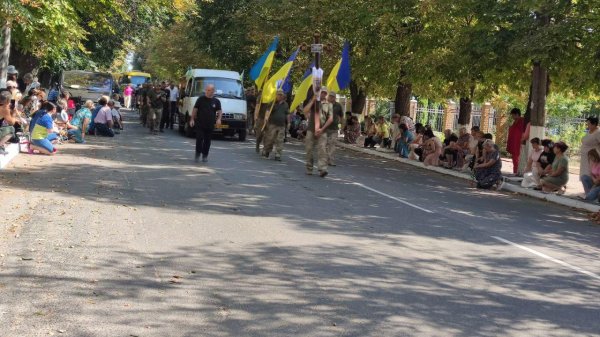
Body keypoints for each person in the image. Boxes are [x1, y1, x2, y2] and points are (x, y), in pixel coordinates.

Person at [303, 87, 333, 177]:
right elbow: (305, 110)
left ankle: (322, 169)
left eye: (324, 93)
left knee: (322, 150)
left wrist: (322, 129)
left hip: (322, 131)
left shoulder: (329, 105)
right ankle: (309, 168)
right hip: (311, 130)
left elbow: (330, 119)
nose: (323, 94)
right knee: (309, 149)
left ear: (326, 94)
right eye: (321, 92)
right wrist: (312, 100)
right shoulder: (314, 102)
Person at [190, 84, 222, 163]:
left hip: (210, 124)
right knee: (199, 139)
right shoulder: (200, 99)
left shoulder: (216, 101)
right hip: (200, 123)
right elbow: (195, 109)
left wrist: (219, 119)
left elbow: (220, 111)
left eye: (209, 90)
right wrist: (192, 119)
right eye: (206, 90)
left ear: (213, 91)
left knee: (207, 141)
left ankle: (205, 155)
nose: (207, 92)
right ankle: (197, 154)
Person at [262, 90, 289, 161]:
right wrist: (266, 118)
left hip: (282, 125)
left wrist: (289, 122)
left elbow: (287, 114)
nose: (280, 96)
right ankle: (267, 151)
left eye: (281, 95)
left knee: (280, 140)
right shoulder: (272, 103)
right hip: (272, 124)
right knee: (270, 139)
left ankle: (278, 154)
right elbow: (267, 111)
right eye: (278, 95)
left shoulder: (285, 104)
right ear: (276, 95)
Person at [580, 116, 600, 192]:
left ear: (594, 124)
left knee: (590, 173)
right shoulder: (589, 131)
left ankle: (591, 193)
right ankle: (587, 192)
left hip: (592, 158)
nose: (587, 126)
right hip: (585, 158)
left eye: (589, 124)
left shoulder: (598, 132)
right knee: (584, 174)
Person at [326, 90, 343, 166]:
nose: (331, 98)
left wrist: (341, 127)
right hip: (325, 128)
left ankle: (331, 160)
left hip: (334, 129)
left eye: (332, 96)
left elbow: (341, 116)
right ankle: (325, 158)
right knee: (324, 144)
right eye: (330, 96)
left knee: (332, 144)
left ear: (335, 98)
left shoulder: (338, 106)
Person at [507, 108, 525, 175]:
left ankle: (517, 172)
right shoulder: (515, 122)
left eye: (513, 115)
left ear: (517, 114)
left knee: (517, 159)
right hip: (514, 144)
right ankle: (515, 172)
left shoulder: (522, 121)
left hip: (518, 144)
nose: (512, 117)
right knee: (514, 159)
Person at [0, 91, 17, 155]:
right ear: (7, 101)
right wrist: (14, 114)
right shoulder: (4, 108)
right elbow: (11, 122)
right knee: (11, 129)